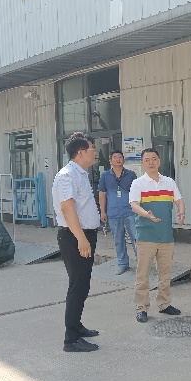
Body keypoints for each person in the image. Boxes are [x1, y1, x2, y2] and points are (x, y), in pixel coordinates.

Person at [52, 132, 101, 352]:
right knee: (77, 285)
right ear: (80, 152)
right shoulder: (67, 175)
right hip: (74, 236)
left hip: (84, 235)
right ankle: (70, 339)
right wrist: (81, 239)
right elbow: (67, 208)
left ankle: (77, 326)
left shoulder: (80, 174)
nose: (95, 152)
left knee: (83, 284)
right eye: (92, 148)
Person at [129, 148, 185, 323]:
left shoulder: (169, 182)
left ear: (159, 161)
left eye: (154, 159)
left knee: (165, 273)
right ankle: (141, 308)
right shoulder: (138, 183)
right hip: (146, 236)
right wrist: (146, 214)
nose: (151, 162)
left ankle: (164, 304)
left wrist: (181, 211)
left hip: (166, 236)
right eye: (147, 160)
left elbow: (179, 200)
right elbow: (134, 205)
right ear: (142, 163)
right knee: (142, 274)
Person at [98, 150, 138, 275]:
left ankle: (142, 263)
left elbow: (137, 192)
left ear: (123, 160)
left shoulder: (131, 174)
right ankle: (122, 264)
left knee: (136, 238)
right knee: (118, 240)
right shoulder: (105, 176)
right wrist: (103, 211)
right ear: (110, 161)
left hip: (130, 211)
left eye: (120, 157)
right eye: (115, 157)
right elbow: (102, 194)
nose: (118, 159)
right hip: (113, 212)